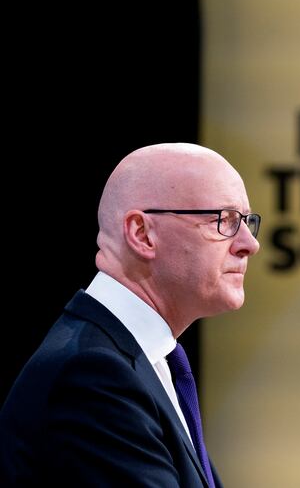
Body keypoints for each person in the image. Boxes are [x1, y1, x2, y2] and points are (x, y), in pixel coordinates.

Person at [1, 143, 260, 487]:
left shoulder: (141, 361)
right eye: (224, 220)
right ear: (141, 234)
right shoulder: (93, 374)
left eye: (246, 221)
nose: (249, 243)